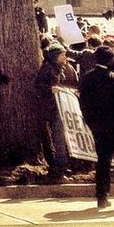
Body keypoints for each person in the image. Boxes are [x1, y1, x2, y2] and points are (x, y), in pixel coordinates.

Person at [78, 44, 114, 209]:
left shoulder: (87, 78)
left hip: (97, 126)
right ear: (111, 60)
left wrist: (90, 120)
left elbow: (83, 102)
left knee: (103, 161)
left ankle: (102, 195)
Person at [36, 41, 78, 180]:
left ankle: (63, 163)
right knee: (58, 136)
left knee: (61, 135)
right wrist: (49, 89)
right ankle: (60, 165)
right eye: (63, 55)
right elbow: (37, 85)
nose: (65, 58)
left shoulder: (61, 68)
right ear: (55, 56)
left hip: (60, 106)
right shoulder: (47, 68)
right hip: (51, 107)